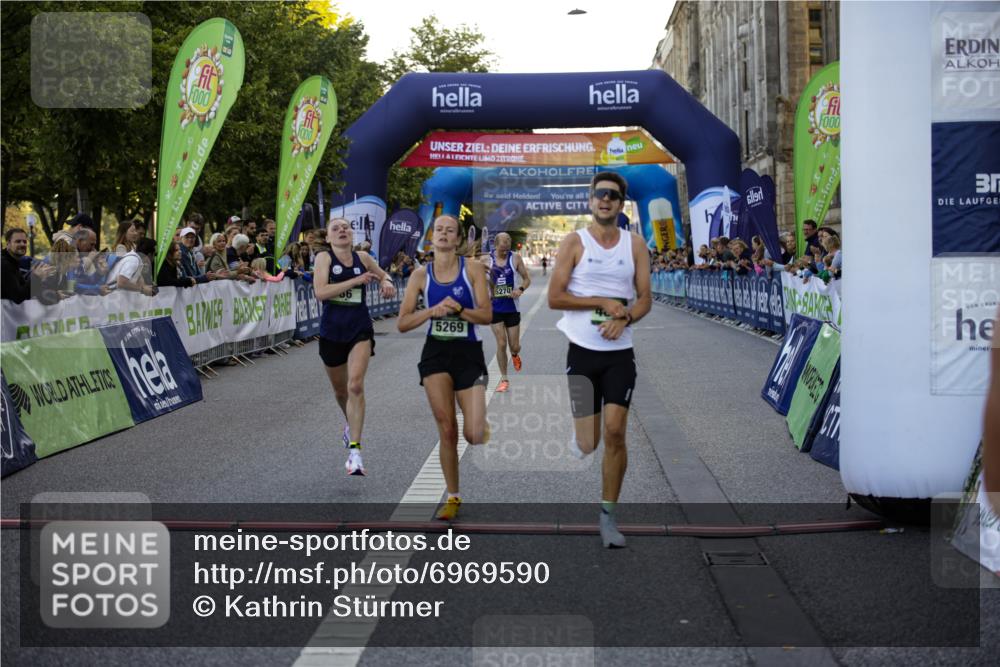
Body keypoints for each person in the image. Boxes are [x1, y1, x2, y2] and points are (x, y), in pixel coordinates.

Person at [548, 171, 651, 548]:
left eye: (612, 195)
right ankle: (581, 439)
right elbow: (555, 297)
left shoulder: (635, 244)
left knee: (615, 433)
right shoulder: (574, 242)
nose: (604, 200)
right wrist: (601, 302)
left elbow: (644, 299)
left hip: (620, 354)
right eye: (598, 195)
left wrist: (625, 315)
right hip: (582, 351)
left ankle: (608, 515)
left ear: (621, 204)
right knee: (590, 442)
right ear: (590, 202)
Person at [398, 215, 492, 520]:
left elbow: (487, 316)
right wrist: (430, 312)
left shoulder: (473, 269)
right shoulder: (419, 276)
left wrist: (461, 310)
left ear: (457, 239)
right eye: (438, 229)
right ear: (431, 236)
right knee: (447, 428)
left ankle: (479, 424)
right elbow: (402, 323)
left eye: (449, 231)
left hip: (469, 353)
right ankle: (453, 497)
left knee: (474, 434)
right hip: (435, 355)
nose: (443, 234)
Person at [314, 217, 397, 476]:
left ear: (352, 234)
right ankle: (349, 424)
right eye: (335, 228)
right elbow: (321, 292)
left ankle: (355, 453)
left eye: (346, 227)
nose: (342, 230)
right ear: (328, 237)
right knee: (341, 392)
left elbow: (385, 275)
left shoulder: (363, 257)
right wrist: (355, 281)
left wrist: (387, 283)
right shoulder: (324, 259)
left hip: (359, 328)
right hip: (331, 332)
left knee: (355, 385)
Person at [484, 232, 531, 393]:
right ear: (496, 244)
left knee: (514, 346)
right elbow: (475, 278)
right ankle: (504, 379)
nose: (507, 244)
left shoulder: (516, 258)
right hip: (495, 308)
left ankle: (515, 355)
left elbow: (526, 278)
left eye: (509, 241)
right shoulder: (486, 260)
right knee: (501, 343)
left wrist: (520, 289)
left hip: (512, 308)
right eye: (504, 242)